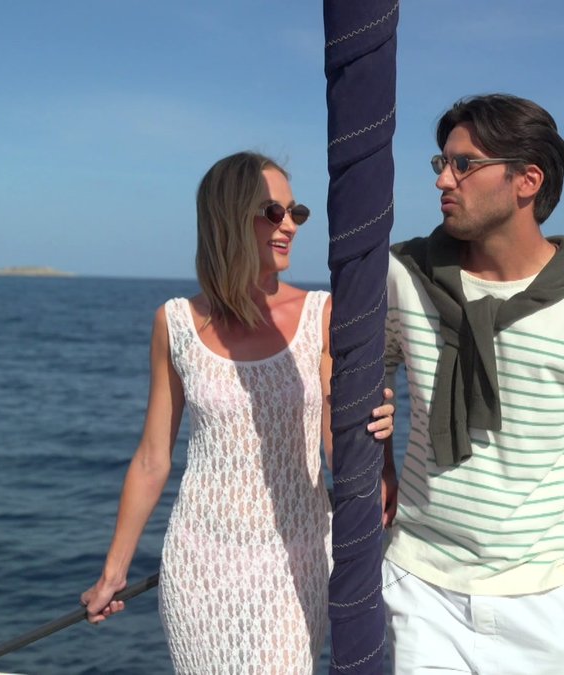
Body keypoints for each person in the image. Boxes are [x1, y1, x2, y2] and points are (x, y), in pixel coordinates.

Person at [80, 151, 395, 674]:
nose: (290, 225)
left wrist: (374, 437)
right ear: (228, 217)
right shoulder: (175, 323)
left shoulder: (322, 314)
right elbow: (153, 459)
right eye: (274, 212)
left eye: (296, 213)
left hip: (294, 560)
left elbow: (335, 446)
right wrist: (114, 571)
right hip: (198, 564)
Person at [380, 94, 564, 673]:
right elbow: (354, 371)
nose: (443, 180)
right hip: (418, 586)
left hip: (542, 607)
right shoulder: (402, 276)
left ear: (527, 181)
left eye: (464, 164)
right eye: (442, 163)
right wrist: (375, 463)